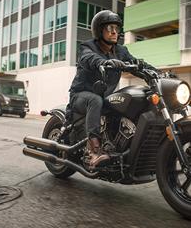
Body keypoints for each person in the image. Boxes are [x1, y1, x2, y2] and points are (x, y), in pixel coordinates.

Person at [66, 10, 156, 169]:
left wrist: (156, 72)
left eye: (117, 28)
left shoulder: (121, 51)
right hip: (81, 96)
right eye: (109, 28)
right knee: (95, 100)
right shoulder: (88, 47)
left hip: (104, 98)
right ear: (99, 31)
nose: (114, 32)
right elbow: (88, 58)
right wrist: (104, 62)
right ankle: (94, 150)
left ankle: (118, 145)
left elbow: (136, 64)